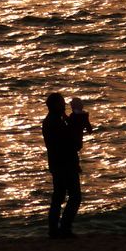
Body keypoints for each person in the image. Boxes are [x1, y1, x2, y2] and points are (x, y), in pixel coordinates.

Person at [42, 91, 81, 238]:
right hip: (65, 163)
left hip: (57, 163)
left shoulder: (50, 121)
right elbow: (70, 142)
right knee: (75, 196)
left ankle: (54, 229)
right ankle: (64, 227)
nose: (64, 105)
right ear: (55, 105)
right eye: (62, 103)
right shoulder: (56, 122)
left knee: (58, 196)